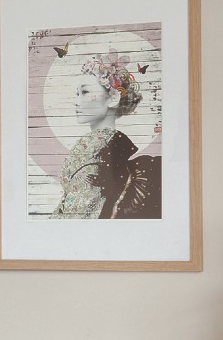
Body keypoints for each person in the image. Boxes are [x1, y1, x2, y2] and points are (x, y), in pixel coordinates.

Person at [53, 52, 161, 220]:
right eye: (77, 94)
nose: (76, 101)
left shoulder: (104, 151)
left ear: (112, 98)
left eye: (85, 92)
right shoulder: (98, 145)